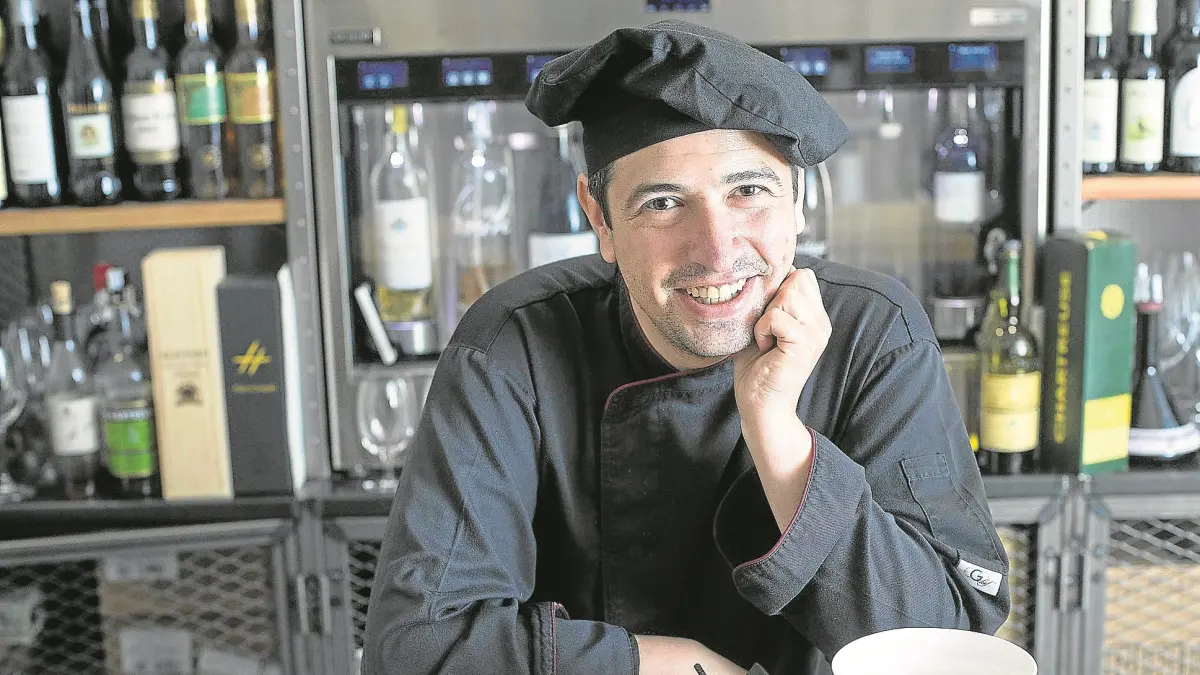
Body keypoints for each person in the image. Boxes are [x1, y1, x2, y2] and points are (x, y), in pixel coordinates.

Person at [363, 19, 1010, 675]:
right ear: (599, 216)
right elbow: (412, 652)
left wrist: (778, 432)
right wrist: (650, 663)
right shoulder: (513, 347)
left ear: (798, 199)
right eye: (664, 203)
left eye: (748, 191)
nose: (718, 250)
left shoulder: (874, 333)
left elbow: (946, 645)